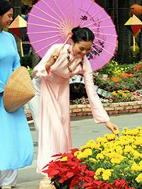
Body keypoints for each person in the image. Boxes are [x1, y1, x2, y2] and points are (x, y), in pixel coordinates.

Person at [30, 27, 118, 175]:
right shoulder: (58, 49)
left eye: (88, 50)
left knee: (61, 129)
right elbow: (36, 72)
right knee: (46, 128)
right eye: (81, 48)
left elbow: (91, 91)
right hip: (42, 87)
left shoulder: (84, 62)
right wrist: (49, 63)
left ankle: (60, 167)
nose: (83, 53)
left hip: (62, 90)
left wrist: (106, 120)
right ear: (72, 41)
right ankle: (48, 170)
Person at [0, 0, 34, 189]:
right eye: (9, 16)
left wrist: (16, 86)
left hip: (14, 91)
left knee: (15, 132)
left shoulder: (10, 38)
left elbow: (16, 62)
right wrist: (2, 88)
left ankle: (10, 178)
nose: (11, 20)